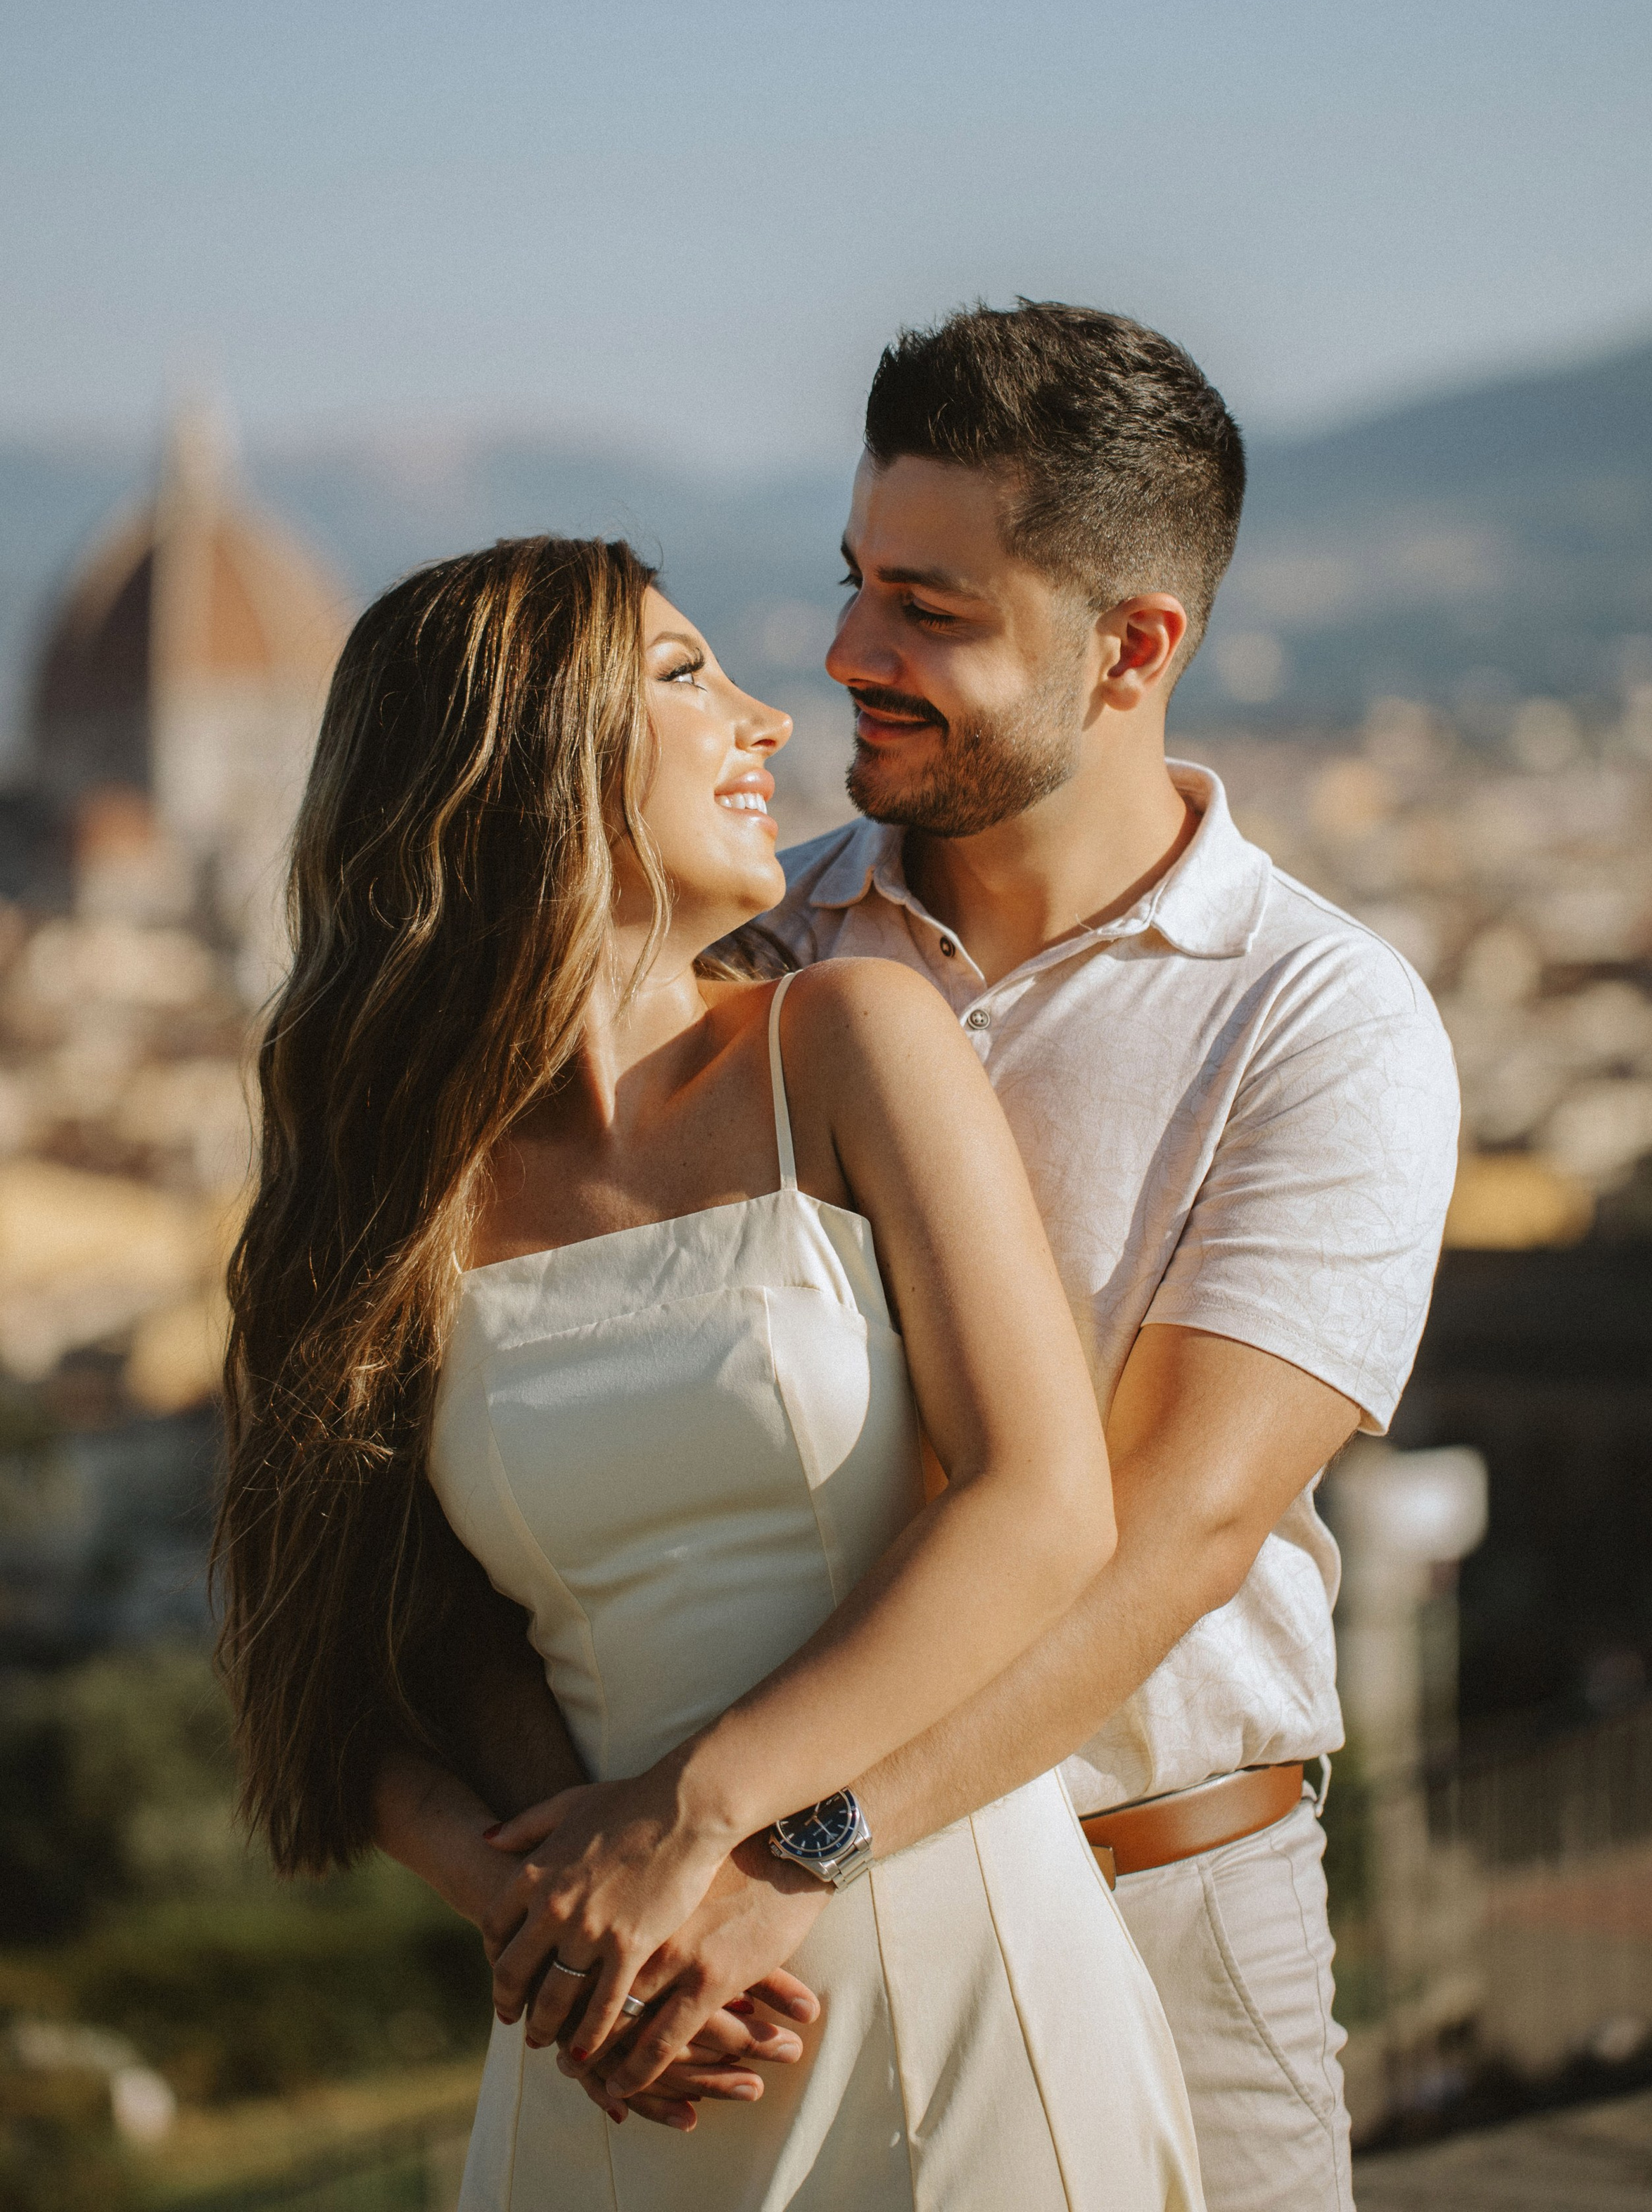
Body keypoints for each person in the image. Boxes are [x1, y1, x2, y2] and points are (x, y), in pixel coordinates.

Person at [388, 301, 1461, 2211]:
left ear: (1134, 650)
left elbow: (1163, 1536)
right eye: (856, 579)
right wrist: (590, 1883)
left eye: (933, 612)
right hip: (734, 1933)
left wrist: (775, 1847)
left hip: (1154, 1886)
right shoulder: (743, 961)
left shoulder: (1322, 1025)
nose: (846, 657)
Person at [213, 534, 1203, 2212]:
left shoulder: (848, 1041)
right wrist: (552, 1928)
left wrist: (703, 1823)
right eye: (683, 678)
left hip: (933, 1947)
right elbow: (337, 1661)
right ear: (519, 766)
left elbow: (1044, 1507)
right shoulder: (381, 1203)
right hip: (620, 2029)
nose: (763, 718)